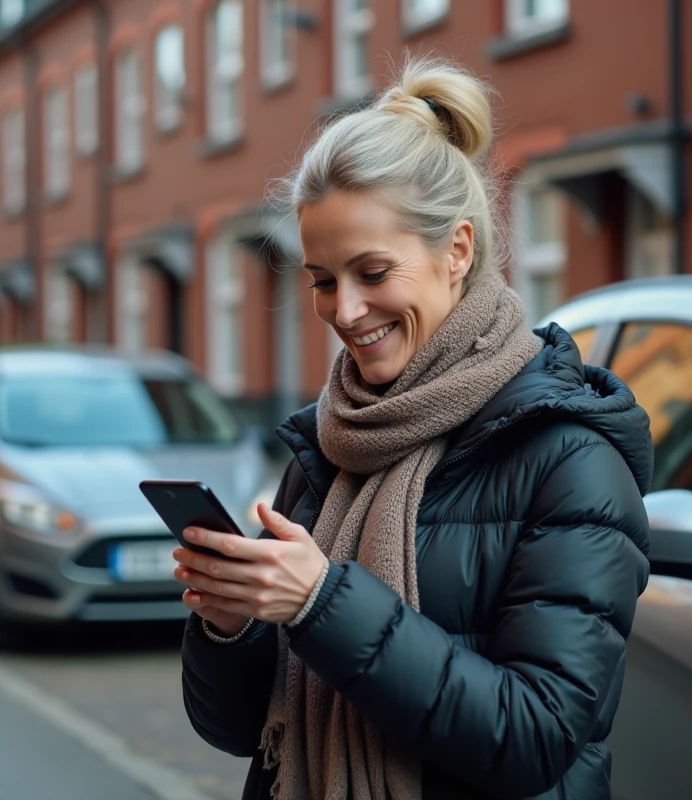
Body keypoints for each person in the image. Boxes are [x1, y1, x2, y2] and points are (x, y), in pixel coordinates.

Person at [176, 57, 653, 800]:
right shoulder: (328, 443)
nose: (345, 310)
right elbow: (243, 734)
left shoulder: (570, 456)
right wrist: (234, 627)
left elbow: (536, 737)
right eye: (324, 280)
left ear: (457, 251)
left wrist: (320, 605)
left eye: (372, 272)